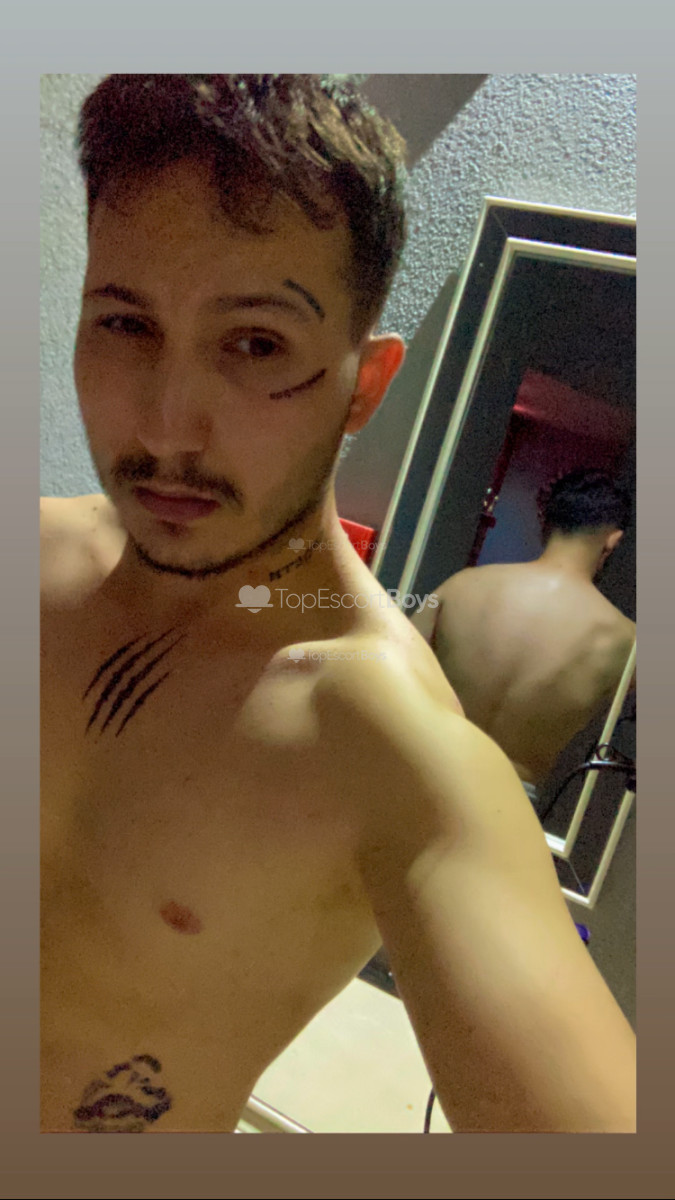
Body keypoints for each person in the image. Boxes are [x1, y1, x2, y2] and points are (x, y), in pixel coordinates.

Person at [41, 75, 636, 1134]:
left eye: (256, 342)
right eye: (126, 322)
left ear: (365, 386)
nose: (168, 424)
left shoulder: (382, 740)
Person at [415, 468, 636, 800]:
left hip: (421, 772)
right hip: (505, 802)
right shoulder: (626, 642)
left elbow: (390, 669)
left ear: (547, 522)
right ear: (613, 540)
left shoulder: (461, 586)